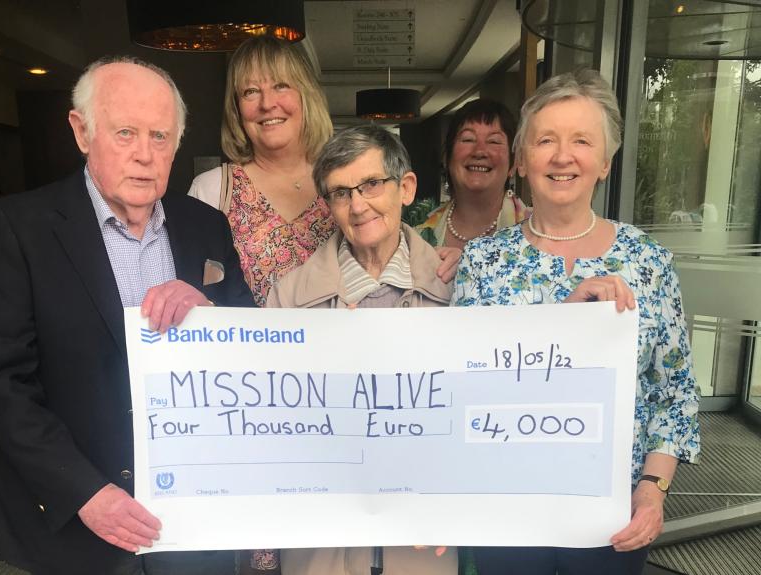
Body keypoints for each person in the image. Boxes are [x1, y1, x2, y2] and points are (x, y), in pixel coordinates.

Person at [0, 56, 254, 575]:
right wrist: (83, 492)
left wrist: (210, 314)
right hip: (74, 529)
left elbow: (249, 339)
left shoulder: (206, 225)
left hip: (192, 520)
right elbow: (1, 383)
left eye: (160, 137)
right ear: (82, 132)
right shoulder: (19, 227)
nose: (145, 154)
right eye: (125, 133)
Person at [452, 69, 701, 575]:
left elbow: (674, 393)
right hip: (507, 510)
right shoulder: (482, 261)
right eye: (546, 140)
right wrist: (562, 326)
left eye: (582, 141)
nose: (563, 156)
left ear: (605, 162)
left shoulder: (648, 261)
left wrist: (652, 490)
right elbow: (462, 387)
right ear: (522, 161)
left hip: (609, 515)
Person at [267, 125, 457, 575]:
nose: (357, 205)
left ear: (405, 188)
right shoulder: (289, 297)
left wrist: (458, 502)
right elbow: (271, 424)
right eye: (340, 193)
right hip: (322, 546)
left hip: (421, 542)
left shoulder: (455, 288)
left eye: (371, 184)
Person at [188, 36, 336, 308]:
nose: (267, 103)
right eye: (251, 91)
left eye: (281, 85)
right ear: (236, 108)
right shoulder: (212, 189)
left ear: (306, 95)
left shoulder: (342, 182)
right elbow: (194, 294)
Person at [415, 99, 530, 249]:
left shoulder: (538, 233)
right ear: (447, 158)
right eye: (468, 139)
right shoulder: (417, 239)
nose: (479, 151)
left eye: (494, 141)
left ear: (514, 163)